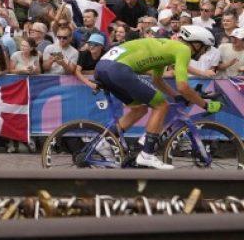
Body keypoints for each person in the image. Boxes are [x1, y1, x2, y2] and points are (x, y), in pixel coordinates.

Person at [92, 25, 222, 170]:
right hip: (118, 69)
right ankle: (146, 154)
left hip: (103, 69)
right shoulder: (183, 49)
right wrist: (205, 105)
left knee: (139, 109)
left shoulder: (167, 48)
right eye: (206, 48)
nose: (205, 52)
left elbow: (157, 80)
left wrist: (176, 96)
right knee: (162, 105)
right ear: (196, 44)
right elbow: (183, 86)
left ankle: (104, 142)